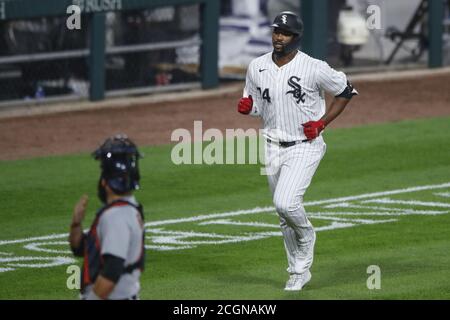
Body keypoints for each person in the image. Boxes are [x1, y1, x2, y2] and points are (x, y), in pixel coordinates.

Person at [237, 11, 357, 291]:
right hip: (271, 146)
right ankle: (298, 271)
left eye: (285, 33)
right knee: (283, 217)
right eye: (276, 31)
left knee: (285, 203)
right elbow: (258, 106)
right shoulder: (257, 66)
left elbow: (345, 91)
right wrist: (248, 108)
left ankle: (307, 235)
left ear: (296, 37)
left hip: (305, 146)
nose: (278, 37)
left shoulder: (314, 67)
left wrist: (322, 122)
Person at [69, 134, 145, 300]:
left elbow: (111, 272)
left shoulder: (116, 217)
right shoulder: (127, 210)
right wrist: (76, 224)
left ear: (106, 181)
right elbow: (81, 248)